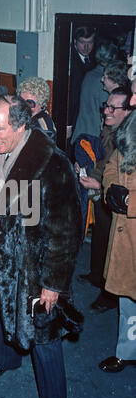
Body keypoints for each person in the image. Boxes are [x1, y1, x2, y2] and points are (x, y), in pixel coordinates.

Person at [0, 95, 82, 398]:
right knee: (0, 311)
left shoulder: (51, 161)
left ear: (20, 125)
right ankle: (5, 360)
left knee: (42, 332)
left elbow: (65, 232)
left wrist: (53, 284)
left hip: (34, 267)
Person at [77, 87, 132, 313]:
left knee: (114, 247)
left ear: (129, 111)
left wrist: (99, 186)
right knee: (100, 237)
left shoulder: (129, 138)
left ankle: (109, 295)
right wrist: (91, 175)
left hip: (121, 207)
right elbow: (106, 165)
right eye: (106, 106)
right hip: (107, 196)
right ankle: (97, 275)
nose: (106, 111)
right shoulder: (112, 131)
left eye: (112, 107)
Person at [99, 108, 136, 373]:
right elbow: (111, 165)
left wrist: (129, 201)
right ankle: (126, 351)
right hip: (125, 235)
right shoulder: (130, 127)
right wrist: (113, 189)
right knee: (128, 299)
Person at [70, 40, 119, 146]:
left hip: (81, 132)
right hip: (93, 136)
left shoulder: (89, 75)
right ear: (113, 58)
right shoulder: (105, 81)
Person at [67, 26, 96, 136]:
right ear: (75, 41)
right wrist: (68, 123)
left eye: (90, 42)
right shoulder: (69, 61)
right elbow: (71, 96)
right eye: (82, 42)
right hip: (73, 117)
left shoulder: (94, 58)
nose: (86, 47)